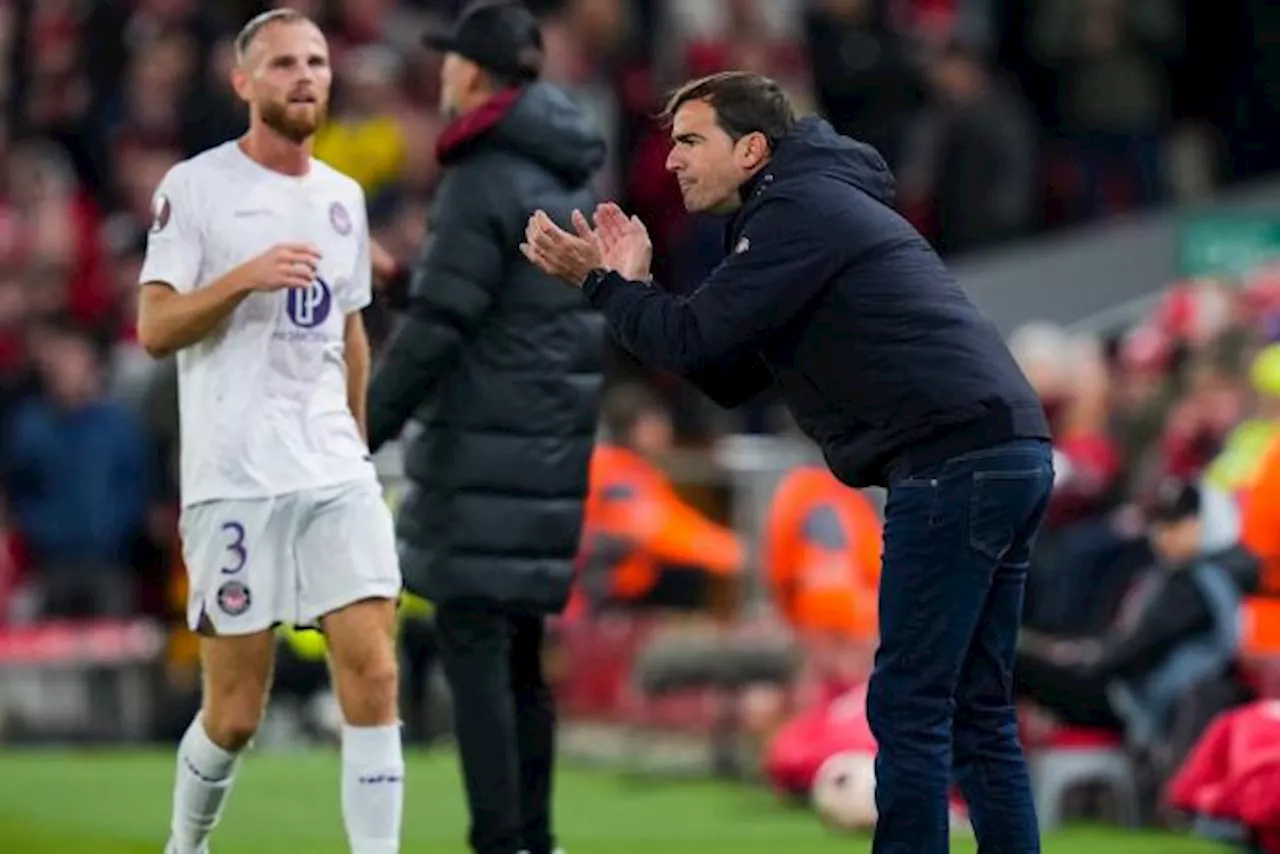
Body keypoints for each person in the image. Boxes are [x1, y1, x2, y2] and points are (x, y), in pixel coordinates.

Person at [522, 70, 1054, 854]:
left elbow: (695, 339)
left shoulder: (795, 211)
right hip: (1003, 450)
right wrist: (630, 288)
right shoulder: (812, 204)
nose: (671, 162)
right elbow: (728, 374)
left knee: (910, 707)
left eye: (691, 141)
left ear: (752, 149)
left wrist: (604, 285)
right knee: (975, 711)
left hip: (955, 461)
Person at [136, 10, 403, 854]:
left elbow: (351, 332)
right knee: (236, 713)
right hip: (236, 477)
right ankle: (187, 843)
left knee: (375, 670)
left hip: (333, 470)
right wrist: (243, 279)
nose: (306, 77)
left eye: (317, 62)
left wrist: (358, 446)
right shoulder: (197, 187)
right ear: (244, 82)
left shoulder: (342, 199)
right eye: (284, 63)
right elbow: (155, 326)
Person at [363, 3, 605, 854]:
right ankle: (536, 840)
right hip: (546, 447)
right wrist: (413, 285)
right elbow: (506, 306)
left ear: (473, 74)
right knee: (518, 659)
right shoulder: (567, 170)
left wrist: (359, 429)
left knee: (475, 654)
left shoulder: (484, 173)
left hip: (482, 452)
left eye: (451, 62)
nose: (441, 76)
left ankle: (501, 842)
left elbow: (443, 328)